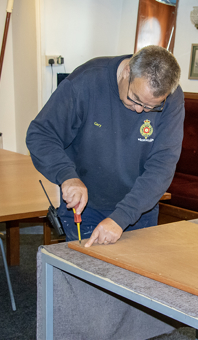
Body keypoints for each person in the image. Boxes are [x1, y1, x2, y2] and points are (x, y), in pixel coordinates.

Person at [26, 45, 184, 247]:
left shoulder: (172, 97)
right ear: (127, 71)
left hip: (138, 208)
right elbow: (40, 134)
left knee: (137, 278)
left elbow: (163, 165)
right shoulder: (86, 82)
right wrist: (67, 176)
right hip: (85, 207)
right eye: (135, 99)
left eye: (150, 107)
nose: (139, 110)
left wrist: (122, 216)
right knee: (87, 275)